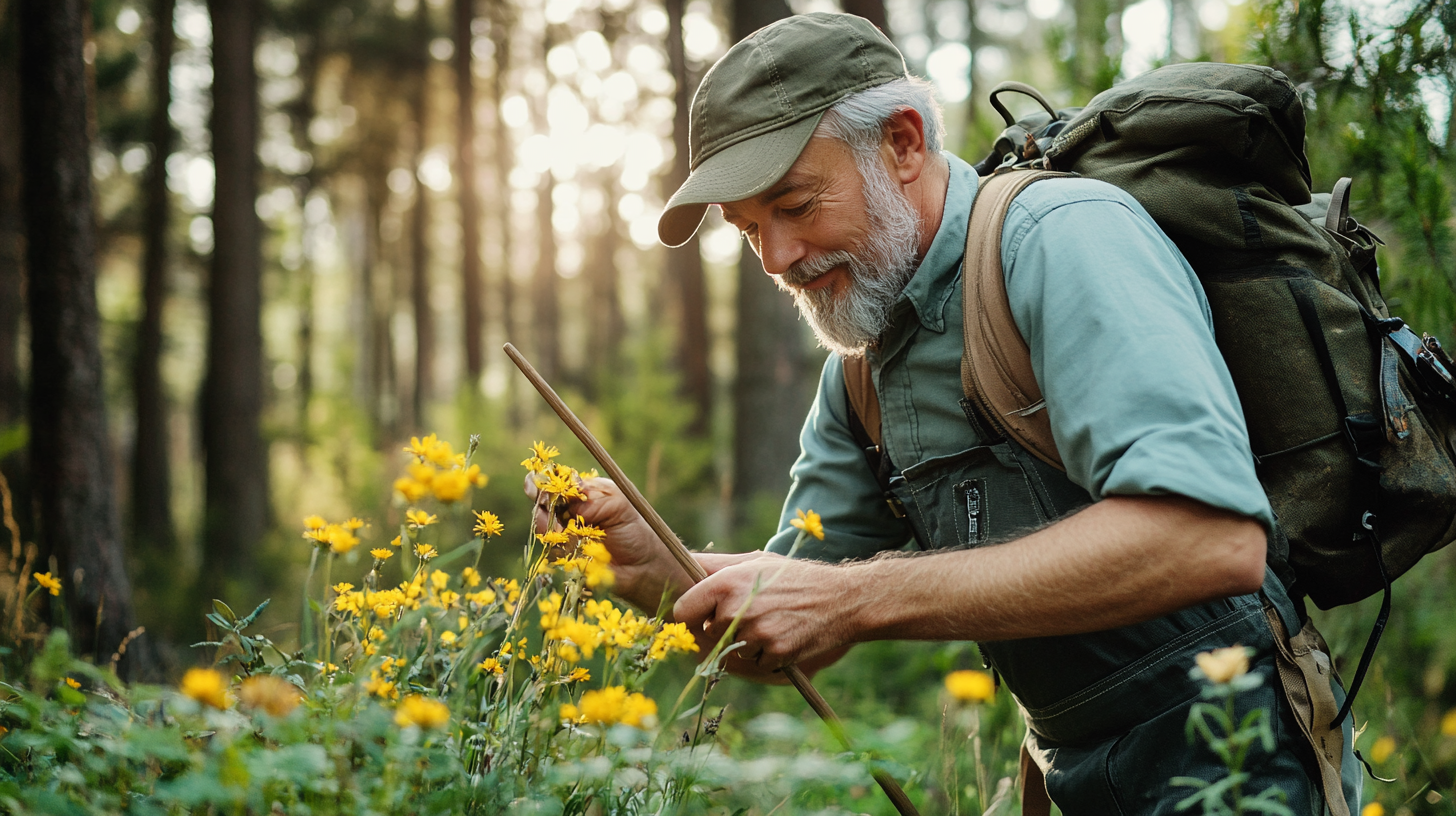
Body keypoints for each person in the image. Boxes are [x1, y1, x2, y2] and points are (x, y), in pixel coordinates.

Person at [534, 12, 1361, 814]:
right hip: (1075, 774)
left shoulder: (1061, 241)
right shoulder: (861, 363)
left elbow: (1209, 539)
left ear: (902, 143)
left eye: (793, 205)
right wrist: (656, 569)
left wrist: (858, 600)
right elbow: (783, 614)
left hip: (1237, 757)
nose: (778, 260)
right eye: (749, 232)